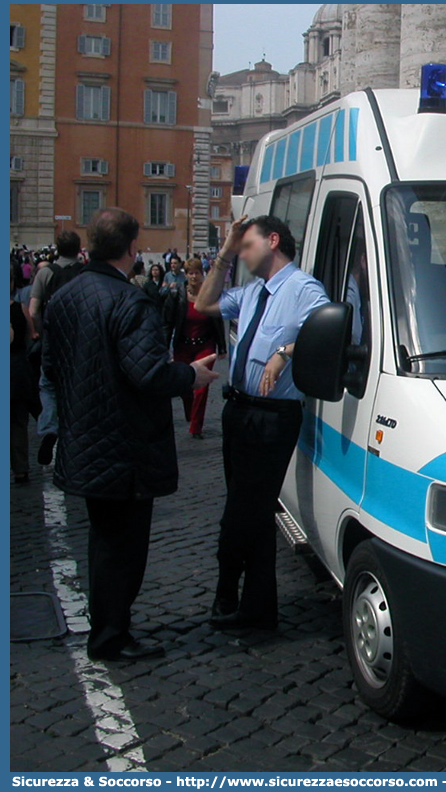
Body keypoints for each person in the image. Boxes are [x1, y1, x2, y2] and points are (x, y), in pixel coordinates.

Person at [42, 207, 220, 662]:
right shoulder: (129, 301)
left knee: (103, 544)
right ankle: (110, 637)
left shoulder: (66, 295)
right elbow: (147, 374)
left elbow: (50, 364)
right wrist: (191, 376)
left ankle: (108, 629)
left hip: (84, 439)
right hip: (124, 448)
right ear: (132, 249)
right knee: (123, 550)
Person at [194, 214, 329, 630]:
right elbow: (203, 304)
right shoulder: (253, 292)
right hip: (238, 410)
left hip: (272, 416)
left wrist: (285, 350)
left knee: (243, 511)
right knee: (248, 509)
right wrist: (225, 251)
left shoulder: (304, 289)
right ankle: (254, 606)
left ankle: (230, 595)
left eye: (248, 245)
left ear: (273, 241)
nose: (243, 253)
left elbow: (330, 329)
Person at [29, 230, 83, 466]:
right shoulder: (85, 273)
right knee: (76, 389)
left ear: (57, 250)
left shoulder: (46, 273)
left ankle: (50, 428)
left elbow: (32, 310)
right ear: (78, 249)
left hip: (52, 337)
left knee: (48, 387)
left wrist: (39, 332)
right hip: (79, 340)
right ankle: (75, 438)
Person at [170, 258, 227, 438]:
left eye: (197, 273)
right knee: (184, 386)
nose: (194, 276)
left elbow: (218, 321)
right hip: (183, 345)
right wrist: (164, 347)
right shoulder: (176, 294)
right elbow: (167, 322)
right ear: (186, 275)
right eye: (190, 273)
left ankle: (196, 427)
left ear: (202, 275)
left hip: (205, 344)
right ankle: (189, 410)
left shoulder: (210, 294)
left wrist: (222, 347)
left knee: (201, 388)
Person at [11, 265, 34, 483]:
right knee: (18, 423)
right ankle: (20, 468)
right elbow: (32, 334)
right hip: (16, 370)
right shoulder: (20, 308)